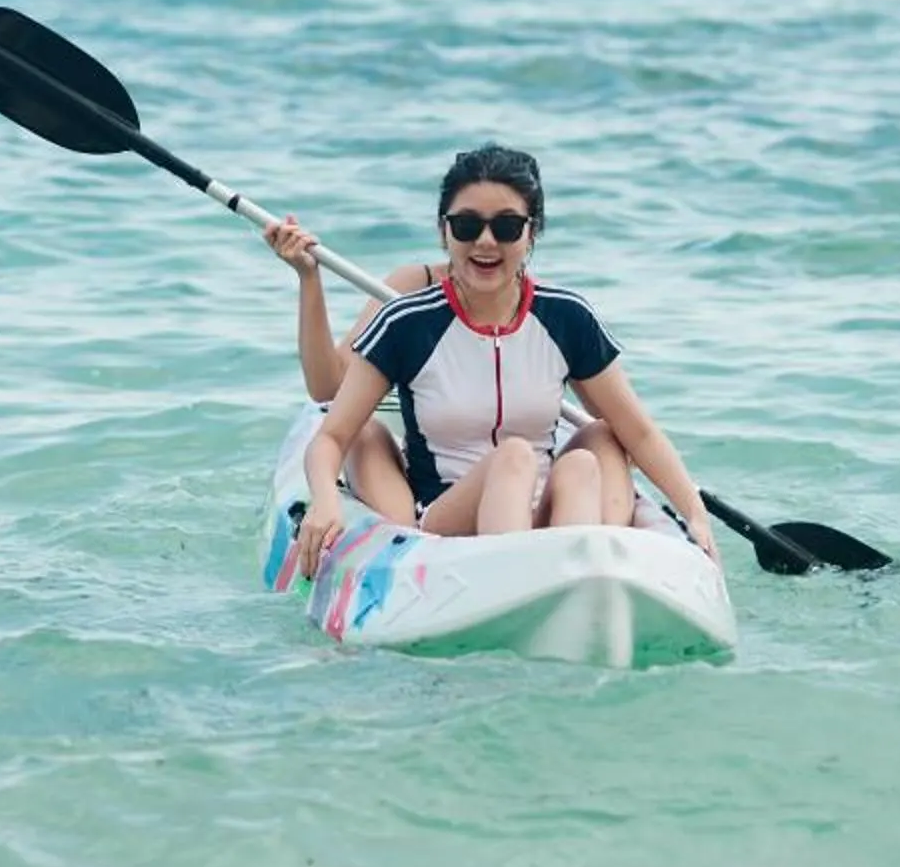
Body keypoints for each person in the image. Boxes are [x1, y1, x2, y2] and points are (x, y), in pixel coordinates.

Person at [291, 144, 721, 581]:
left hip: (545, 513)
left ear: (531, 234)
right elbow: (332, 435)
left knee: (592, 451)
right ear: (445, 233)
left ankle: (585, 580)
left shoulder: (566, 316)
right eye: (466, 225)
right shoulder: (407, 321)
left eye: (507, 227)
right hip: (445, 519)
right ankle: (518, 582)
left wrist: (694, 512)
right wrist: (325, 500)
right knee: (513, 456)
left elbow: (640, 432)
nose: (485, 241)